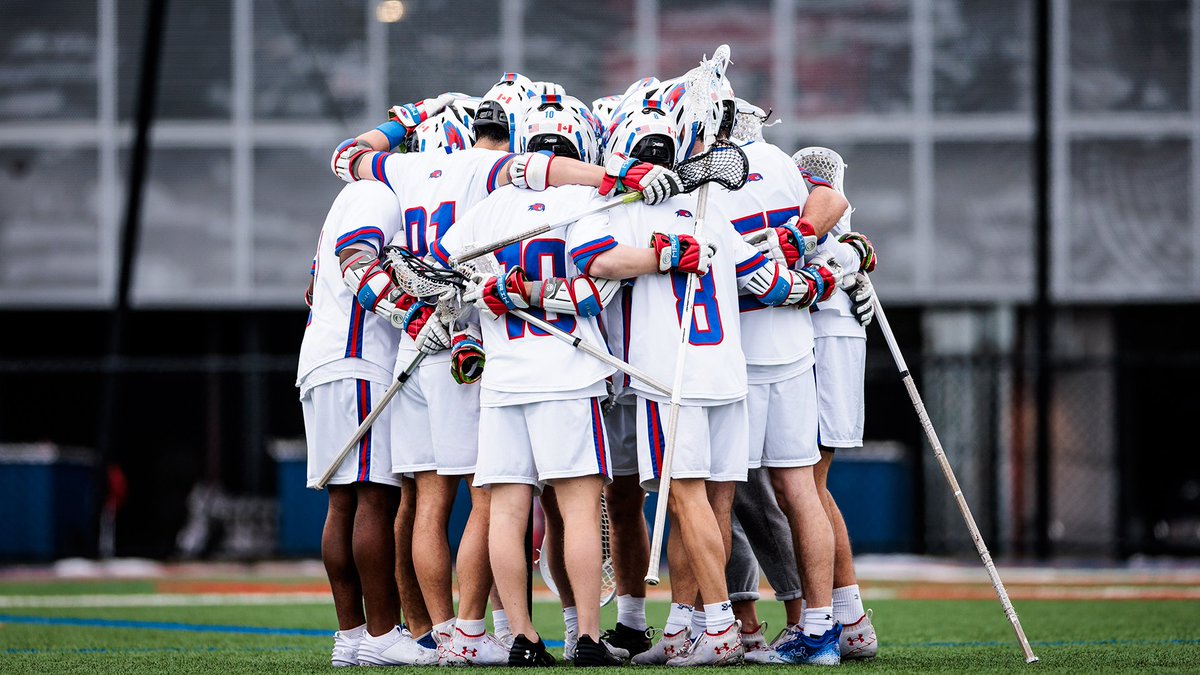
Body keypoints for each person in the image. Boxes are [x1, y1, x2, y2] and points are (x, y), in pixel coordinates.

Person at [328, 73, 683, 665]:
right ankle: (587, 638)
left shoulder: (482, 211)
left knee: (505, 511)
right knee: (577, 509)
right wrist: (658, 254)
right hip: (568, 374)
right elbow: (594, 290)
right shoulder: (581, 200)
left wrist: (491, 297)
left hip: (500, 379)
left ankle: (520, 636)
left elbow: (439, 278)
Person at [569, 96, 839, 667]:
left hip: (668, 378)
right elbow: (768, 281)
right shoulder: (706, 208)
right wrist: (824, 280)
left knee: (689, 500)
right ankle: (690, 628)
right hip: (728, 375)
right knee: (709, 502)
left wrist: (657, 256)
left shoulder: (614, 210)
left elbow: (593, 260)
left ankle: (716, 626)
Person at [297, 179, 433, 667]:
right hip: (357, 357)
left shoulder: (352, 198)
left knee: (344, 501)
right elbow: (356, 262)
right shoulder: (377, 193)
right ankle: (380, 634)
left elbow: (312, 289)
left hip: (328, 358)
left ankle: (353, 636)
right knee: (375, 496)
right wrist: (414, 317)